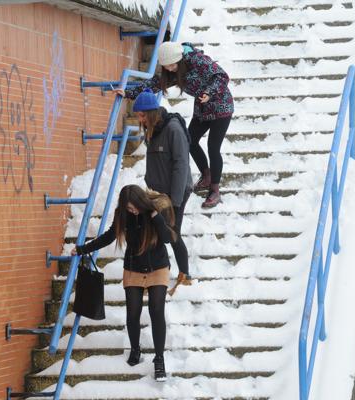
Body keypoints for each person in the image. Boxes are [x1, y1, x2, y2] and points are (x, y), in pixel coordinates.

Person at [71, 185, 175, 382]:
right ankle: (135, 349)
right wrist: (83, 249)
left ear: (141, 202)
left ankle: (159, 359)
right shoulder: (123, 215)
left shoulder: (154, 210)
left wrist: (154, 215)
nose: (132, 211)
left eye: (134, 207)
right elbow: (110, 236)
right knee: (132, 312)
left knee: (156, 310)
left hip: (158, 267)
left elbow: (167, 239)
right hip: (134, 268)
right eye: (128, 208)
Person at [116, 41, 234, 208]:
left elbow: (221, 76)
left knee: (213, 147)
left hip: (221, 107)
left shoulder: (197, 60)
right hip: (202, 110)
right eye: (166, 66)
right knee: (190, 141)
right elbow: (155, 84)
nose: (170, 69)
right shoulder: (172, 70)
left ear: (178, 59)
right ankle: (206, 176)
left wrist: (209, 92)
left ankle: (214, 190)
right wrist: (129, 92)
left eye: (172, 65)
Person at [130, 88, 193, 289]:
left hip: (176, 192)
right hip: (157, 191)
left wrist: (174, 201)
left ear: (151, 113)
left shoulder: (173, 129)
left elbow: (181, 164)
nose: (140, 119)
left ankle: (185, 274)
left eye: (141, 115)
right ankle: (153, 275)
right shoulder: (153, 130)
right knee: (154, 230)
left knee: (171, 233)